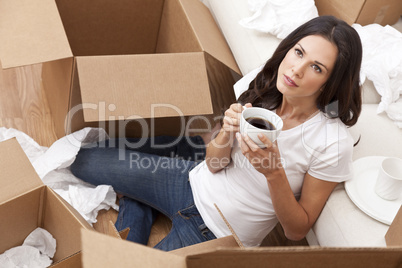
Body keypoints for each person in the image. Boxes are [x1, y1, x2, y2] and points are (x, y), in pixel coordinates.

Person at [70, 15, 362, 250]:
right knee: (82, 161)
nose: (296, 69)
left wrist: (274, 174)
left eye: (316, 67)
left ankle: (136, 212)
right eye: (298, 52)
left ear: (330, 82)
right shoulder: (266, 86)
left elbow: (296, 230)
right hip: (189, 182)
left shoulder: (331, 142)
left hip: (216, 233)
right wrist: (226, 133)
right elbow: (213, 163)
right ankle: (141, 203)